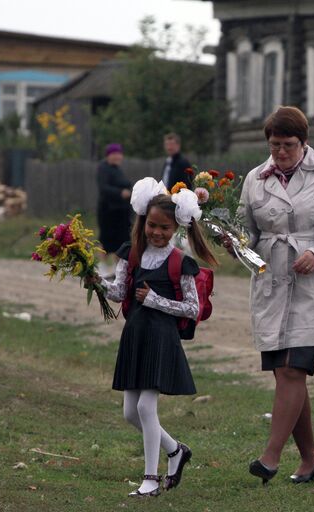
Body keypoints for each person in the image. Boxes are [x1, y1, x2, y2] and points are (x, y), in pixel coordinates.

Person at [235, 106, 314, 485]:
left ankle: (270, 457)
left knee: (294, 369)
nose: (281, 152)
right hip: (272, 283)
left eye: (288, 145)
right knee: (286, 374)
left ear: (304, 143)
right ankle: (309, 460)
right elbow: (247, 231)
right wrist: (236, 244)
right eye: (274, 145)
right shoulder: (255, 179)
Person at [89, 179, 218, 497]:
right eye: (152, 225)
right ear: (142, 221)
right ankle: (176, 450)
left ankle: (151, 478)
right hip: (135, 335)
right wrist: (95, 280)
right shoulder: (131, 254)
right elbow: (120, 292)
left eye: (165, 227)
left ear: (176, 228)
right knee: (130, 412)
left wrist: (155, 300)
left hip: (161, 339)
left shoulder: (180, 262)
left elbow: (192, 308)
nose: (157, 232)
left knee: (146, 408)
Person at [96, 143, 132, 276]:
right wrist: (120, 193)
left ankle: (118, 268)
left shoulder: (118, 170)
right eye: (114, 154)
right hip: (108, 211)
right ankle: (103, 266)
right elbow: (104, 188)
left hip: (121, 213)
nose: (117, 156)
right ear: (108, 155)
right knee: (106, 239)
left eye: (119, 154)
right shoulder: (103, 168)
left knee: (121, 241)